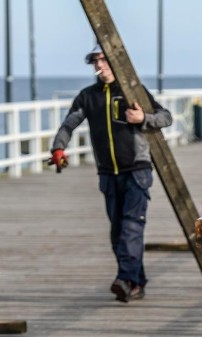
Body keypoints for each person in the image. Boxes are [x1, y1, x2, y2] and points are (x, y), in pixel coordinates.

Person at [49, 44, 172, 303]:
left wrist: (143, 118)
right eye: (95, 61)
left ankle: (125, 280)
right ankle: (135, 283)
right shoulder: (88, 96)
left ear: (115, 62)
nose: (99, 66)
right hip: (107, 174)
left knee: (131, 227)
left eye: (103, 60)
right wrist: (59, 148)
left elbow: (166, 117)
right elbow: (69, 124)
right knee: (118, 233)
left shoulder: (131, 91)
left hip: (137, 171)